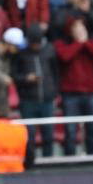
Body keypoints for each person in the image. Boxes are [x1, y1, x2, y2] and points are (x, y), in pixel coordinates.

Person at [54, 17, 93, 155]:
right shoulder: (62, 44)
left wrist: (86, 43)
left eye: (82, 27)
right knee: (70, 130)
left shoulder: (91, 43)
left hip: (90, 93)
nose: (80, 30)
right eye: (76, 28)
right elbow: (65, 56)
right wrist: (79, 43)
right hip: (70, 95)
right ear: (70, 31)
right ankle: (70, 159)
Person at [11, 24, 58, 158]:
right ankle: (30, 160)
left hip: (47, 99)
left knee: (48, 134)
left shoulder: (49, 50)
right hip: (28, 100)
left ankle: (48, 160)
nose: (36, 46)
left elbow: (56, 72)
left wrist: (54, 91)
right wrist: (26, 78)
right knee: (29, 135)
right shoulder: (21, 54)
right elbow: (14, 75)